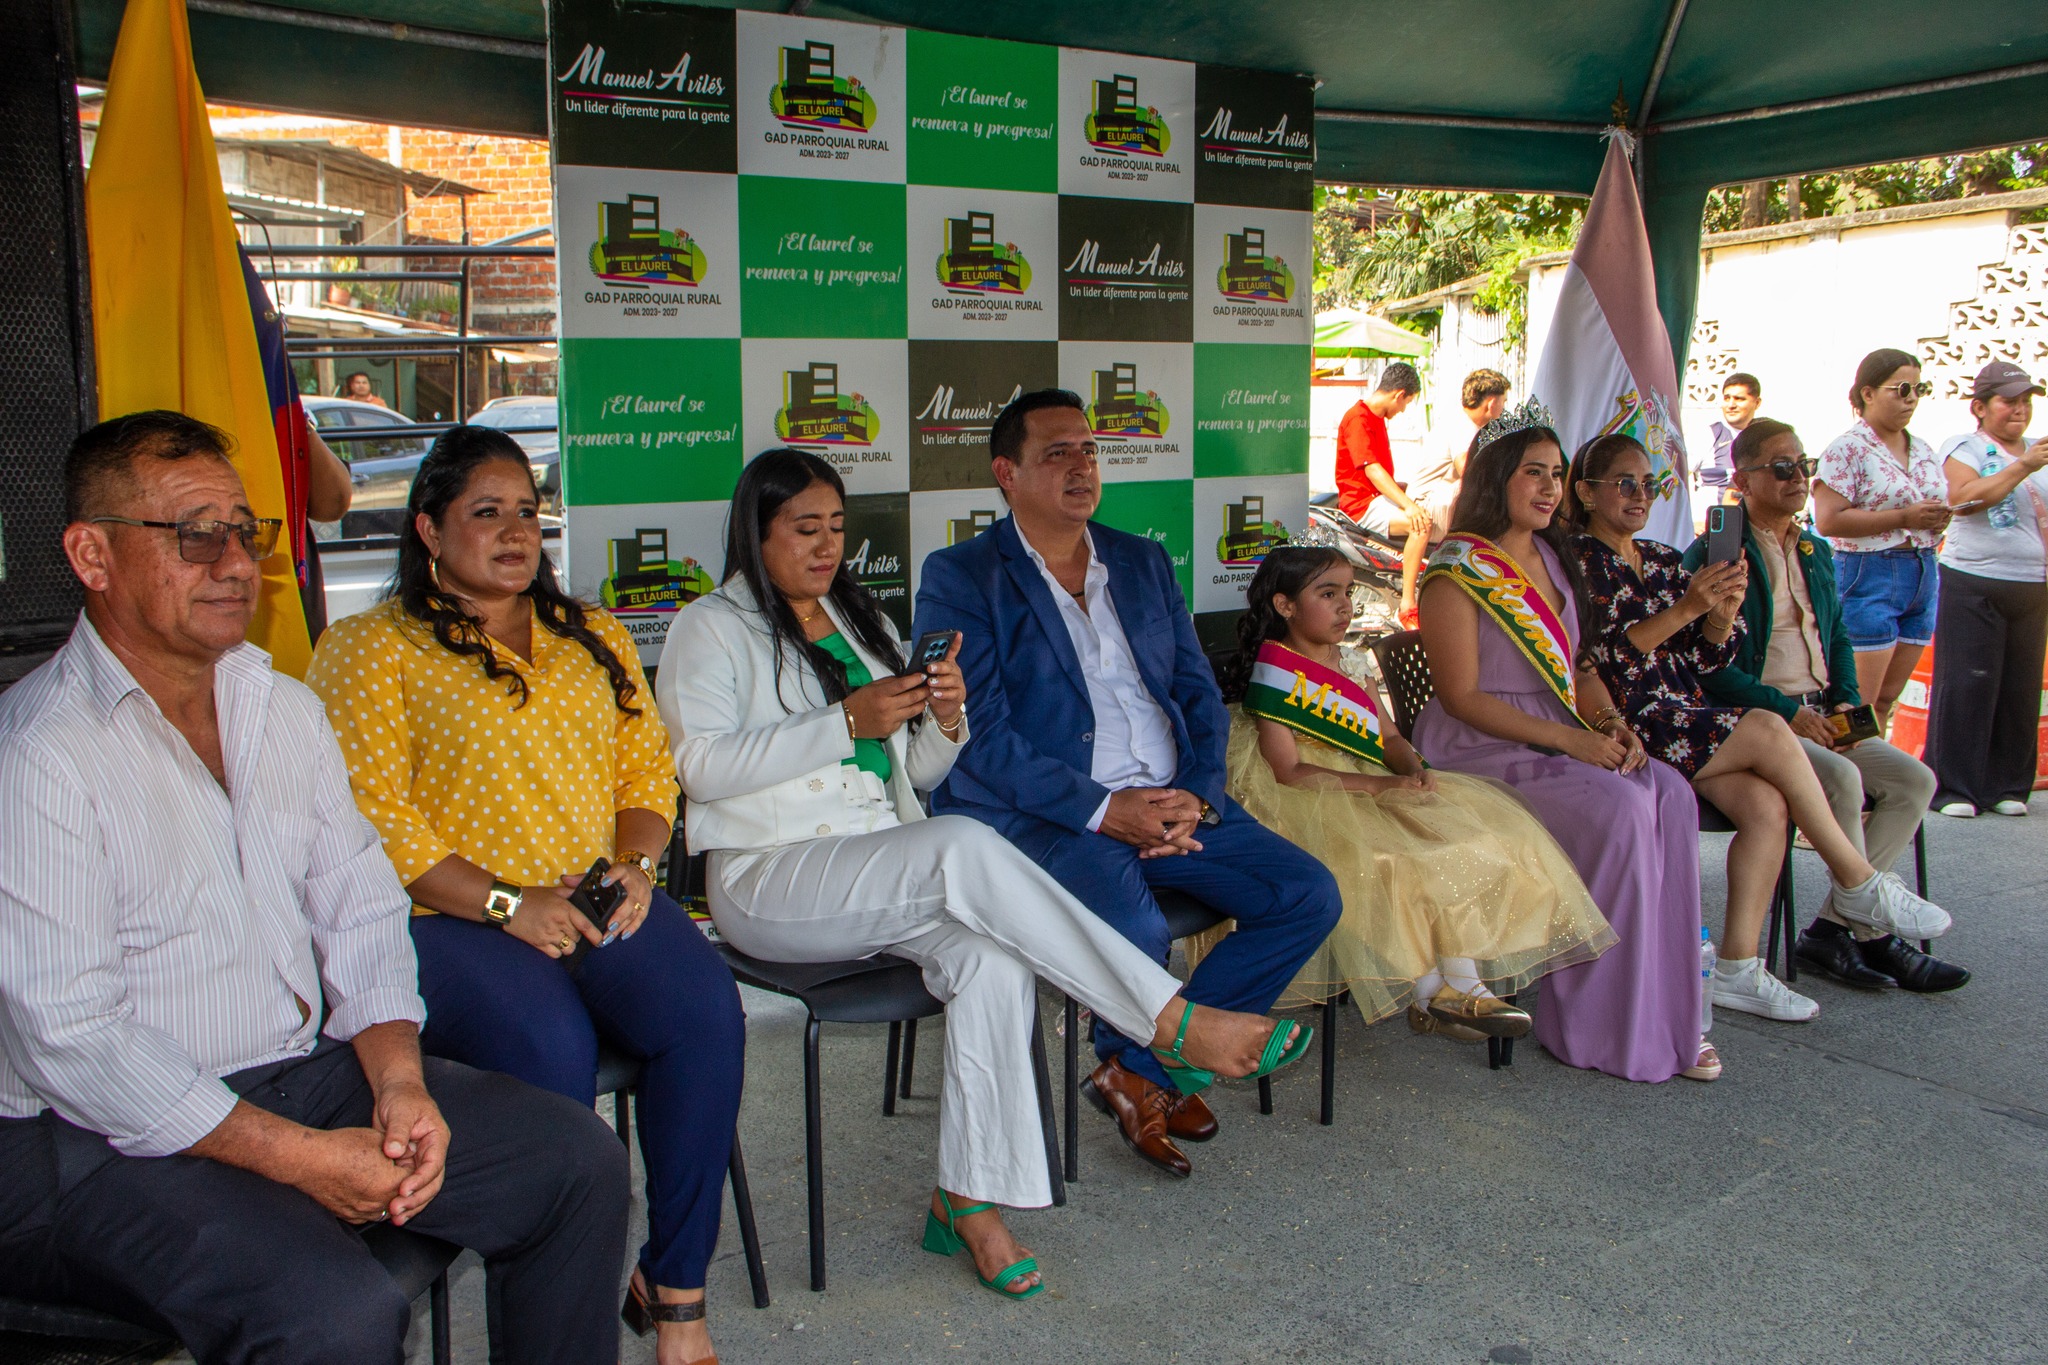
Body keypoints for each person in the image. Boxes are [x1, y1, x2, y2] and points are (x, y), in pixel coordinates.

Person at [0, 411, 628, 1365]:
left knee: (576, 1162)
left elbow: (361, 906)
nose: (234, 564)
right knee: (336, 1312)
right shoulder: (37, 752)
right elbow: (75, 1038)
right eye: (193, 535)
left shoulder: (282, 709)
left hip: (294, 1071)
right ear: (93, 555)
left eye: (244, 531)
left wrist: (400, 1080)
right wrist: (301, 1158)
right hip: (90, 1135)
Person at [660, 448, 1302, 1300]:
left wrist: (946, 716)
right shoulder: (709, 626)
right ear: (757, 531)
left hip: (878, 863)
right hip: (770, 877)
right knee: (961, 843)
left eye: (838, 528)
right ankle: (1165, 1019)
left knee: (992, 958)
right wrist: (842, 720)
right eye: (805, 529)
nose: (827, 547)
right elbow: (700, 769)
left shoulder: (860, 617)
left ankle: (968, 1200)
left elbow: (918, 772)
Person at [304, 426, 741, 1365]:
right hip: (449, 919)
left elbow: (646, 771)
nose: (515, 532)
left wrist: (636, 863)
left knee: (707, 1012)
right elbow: (373, 823)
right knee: (550, 1047)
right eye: (486, 512)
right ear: (429, 528)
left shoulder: (593, 633)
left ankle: (674, 1290)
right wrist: (509, 903)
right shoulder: (368, 648)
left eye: (528, 513)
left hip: (592, 893)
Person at [915, 390, 1340, 1178]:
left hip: (1174, 799)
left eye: (1089, 449)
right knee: (1139, 931)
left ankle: (1138, 1070)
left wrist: (1197, 795)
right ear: (1007, 473)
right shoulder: (961, 575)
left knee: (1306, 894)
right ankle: (1157, 1064)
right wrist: (1107, 810)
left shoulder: (1139, 560)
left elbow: (1196, 691)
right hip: (1055, 815)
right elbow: (981, 740)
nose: (1081, 466)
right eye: (1057, 453)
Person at [1569, 433, 1954, 1022]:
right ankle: (1857, 881)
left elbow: (1705, 660)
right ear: (1586, 492)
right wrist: (1687, 610)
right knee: (1770, 729)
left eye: (1649, 483)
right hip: (1633, 718)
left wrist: (1720, 619)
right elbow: (1600, 659)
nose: (1640, 494)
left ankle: (1738, 968)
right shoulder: (1575, 563)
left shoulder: (1663, 558)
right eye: (1625, 483)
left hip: (1687, 713)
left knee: (1767, 806)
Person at [1409, 403, 1715, 1083]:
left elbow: (1578, 667)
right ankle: (1598, 1025)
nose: (1550, 487)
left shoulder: (1555, 555)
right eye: (1533, 472)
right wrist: (1572, 742)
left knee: (1670, 793)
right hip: (1480, 745)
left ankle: (1670, 1015)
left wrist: (1608, 724)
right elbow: (1462, 697)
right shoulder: (1454, 569)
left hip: (1559, 734)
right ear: (1495, 477)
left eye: (1557, 473)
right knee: (1620, 809)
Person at [1216, 545, 1616, 1041]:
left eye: (1348, 593)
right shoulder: (1275, 674)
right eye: (1327, 594)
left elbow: (1388, 737)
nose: (1345, 606)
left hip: (1372, 777)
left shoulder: (1351, 661)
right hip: (1311, 795)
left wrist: (1414, 767)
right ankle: (1436, 993)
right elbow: (1288, 771)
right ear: (1285, 606)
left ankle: (1460, 989)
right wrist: (1382, 786)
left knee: (1473, 839)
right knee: (1396, 862)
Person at [1682, 420, 1968, 993]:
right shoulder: (1717, 552)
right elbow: (1706, 666)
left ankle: (1835, 928)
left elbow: (1835, 634)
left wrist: (1845, 700)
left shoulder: (1813, 547)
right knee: (1841, 778)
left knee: (1913, 780)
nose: (1798, 477)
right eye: (1781, 468)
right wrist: (1791, 714)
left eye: (1803, 465)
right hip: (1763, 720)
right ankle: (1870, 935)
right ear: (1743, 479)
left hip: (1820, 713)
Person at [1924, 360, 2048, 818]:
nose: (2020, 410)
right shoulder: (1966, 446)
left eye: (2026, 402)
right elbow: (1963, 500)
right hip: (1974, 579)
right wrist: (2023, 467)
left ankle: (2008, 785)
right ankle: (1954, 787)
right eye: (2008, 401)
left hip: (2032, 582)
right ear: (1980, 407)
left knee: (2021, 688)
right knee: (1967, 683)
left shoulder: (2038, 449)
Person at [1812, 349, 1951, 728]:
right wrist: (1905, 517)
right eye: (1902, 389)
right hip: (1870, 571)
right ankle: (1845, 767)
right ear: (1868, 393)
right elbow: (1828, 520)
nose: (1912, 399)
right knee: (1857, 706)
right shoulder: (1847, 449)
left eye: (1919, 389)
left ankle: (1874, 768)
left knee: (1886, 701)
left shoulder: (1922, 448)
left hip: (1923, 570)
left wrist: (1938, 517)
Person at [1335, 361, 1430, 626]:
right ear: (1399, 395)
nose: (1402, 410)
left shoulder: (1375, 418)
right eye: (1406, 403)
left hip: (1377, 498)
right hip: (1362, 504)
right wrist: (1408, 505)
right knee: (1421, 526)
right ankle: (1408, 605)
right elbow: (1372, 470)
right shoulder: (1358, 418)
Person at [1407, 368, 1507, 546]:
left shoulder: (1466, 423)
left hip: (1436, 501)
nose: (1504, 409)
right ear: (1492, 403)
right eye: (1504, 402)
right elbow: (1466, 468)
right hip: (1427, 504)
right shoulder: (1462, 425)